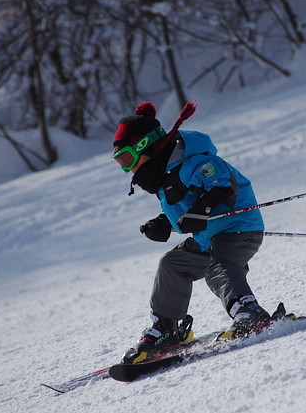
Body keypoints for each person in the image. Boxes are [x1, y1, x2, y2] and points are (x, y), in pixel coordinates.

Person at [110, 100, 271, 364]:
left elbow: (223, 185)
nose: (126, 168)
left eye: (127, 159)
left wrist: (203, 208)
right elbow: (185, 207)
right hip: (207, 238)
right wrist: (165, 221)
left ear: (145, 147)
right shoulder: (165, 175)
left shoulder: (192, 162)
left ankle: (248, 312)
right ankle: (167, 329)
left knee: (218, 266)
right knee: (172, 265)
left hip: (238, 229)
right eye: (120, 162)